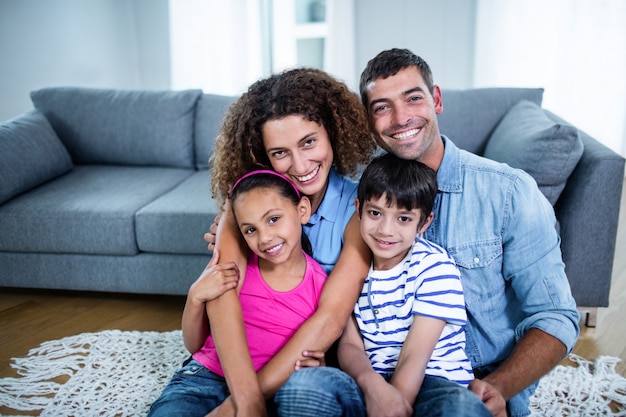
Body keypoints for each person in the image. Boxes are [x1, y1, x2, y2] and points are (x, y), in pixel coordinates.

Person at [277, 48, 580, 417]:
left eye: (413, 99)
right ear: (369, 120)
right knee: (301, 393)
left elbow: (556, 316)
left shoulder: (508, 191)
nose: (401, 117)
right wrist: (234, 226)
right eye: (382, 107)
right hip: (370, 371)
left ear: (435, 100)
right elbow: (286, 213)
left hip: (470, 379)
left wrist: (500, 387)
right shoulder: (358, 195)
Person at [199, 68, 376, 416]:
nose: (300, 164)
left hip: (304, 367)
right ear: (264, 155)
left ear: (333, 133)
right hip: (229, 365)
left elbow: (331, 316)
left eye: (309, 142)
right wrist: (244, 395)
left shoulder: (360, 209)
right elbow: (221, 290)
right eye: (280, 153)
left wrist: (243, 403)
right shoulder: (242, 205)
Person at [148, 170, 329, 416]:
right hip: (204, 378)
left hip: (270, 390)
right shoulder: (236, 270)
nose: (265, 237)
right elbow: (194, 345)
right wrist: (194, 298)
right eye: (250, 230)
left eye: (273, 219)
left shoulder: (321, 286)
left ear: (302, 210)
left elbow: (316, 350)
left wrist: (320, 366)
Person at [336, 153, 484, 416]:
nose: (385, 230)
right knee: (310, 387)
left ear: (424, 222)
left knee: (461, 408)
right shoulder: (352, 267)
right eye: (375, 213)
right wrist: (373, 388)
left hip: (433, 381)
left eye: (403, 218)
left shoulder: (434, 266)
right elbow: (349, 344)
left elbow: (415, 356)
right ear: (358, 209)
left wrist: (393, 404)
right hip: (371, 380)